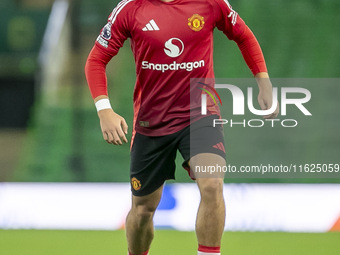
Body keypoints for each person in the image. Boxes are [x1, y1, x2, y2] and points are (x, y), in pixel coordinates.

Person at [85, 0, 279, 254]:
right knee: (143, 209)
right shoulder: (131, 9)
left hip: (201, 116)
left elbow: (244, 36)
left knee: (212, 185)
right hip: (151, 123)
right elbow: (96, 60)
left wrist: (263, 82)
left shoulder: (211, 3)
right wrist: (104, 110)